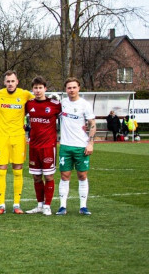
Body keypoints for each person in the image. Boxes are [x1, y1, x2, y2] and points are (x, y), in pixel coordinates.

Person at [0, 71, 34, 214]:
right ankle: (1, 205)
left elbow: (39, 99)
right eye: (8, 81)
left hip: (18, 137)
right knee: (1, 171)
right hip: (1, 137)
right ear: (4, 82)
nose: (10, 84)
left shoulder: (25, 94)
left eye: (12, 81)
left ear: (17, 82)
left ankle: (16, 204)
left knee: (17, 170)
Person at [57, 77, 96, 216]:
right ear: (66, 89)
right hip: (65, 146)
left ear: (78, 88)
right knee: (64, 175)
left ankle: (83, 206)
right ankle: (62, 206)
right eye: (69, 88)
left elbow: (92, 124)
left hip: (81, 146)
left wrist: (90, 143)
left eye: (74, 87)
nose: (71, 90)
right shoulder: (62, 103)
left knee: (82, 175)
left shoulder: (85, 104)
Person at [24, 76, 62, 215]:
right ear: (32, 89)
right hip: (34, 146)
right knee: (36, 177)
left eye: (40, 88)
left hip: (48, 146)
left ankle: (47, 206)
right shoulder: (29, 104)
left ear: (45, 89)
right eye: (35, 88)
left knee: (49, 176)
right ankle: (40, 205)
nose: (38, 90)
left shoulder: (55, 104)